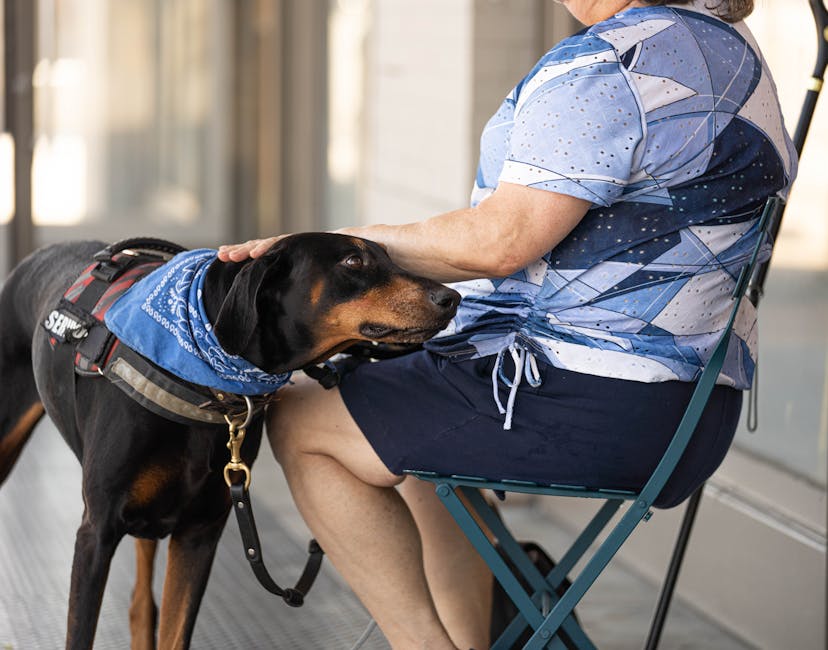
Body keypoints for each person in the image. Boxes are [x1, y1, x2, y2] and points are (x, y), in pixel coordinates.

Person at [219, 1, 796, 648]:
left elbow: (502, 240)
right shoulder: (729, 51)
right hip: (690, 415)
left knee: (302, 421)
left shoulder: (607, 64)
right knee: (391, 423)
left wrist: (327, 244)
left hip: (591, 400)